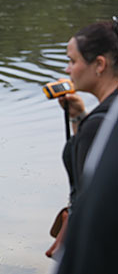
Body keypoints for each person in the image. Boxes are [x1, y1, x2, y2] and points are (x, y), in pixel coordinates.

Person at [45, 18, 118, 258]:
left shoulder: (100, 123)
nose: (67, 70)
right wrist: (78, 117)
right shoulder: (107, 116)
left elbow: (93, 200)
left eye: (72, 61)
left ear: (99, 64)